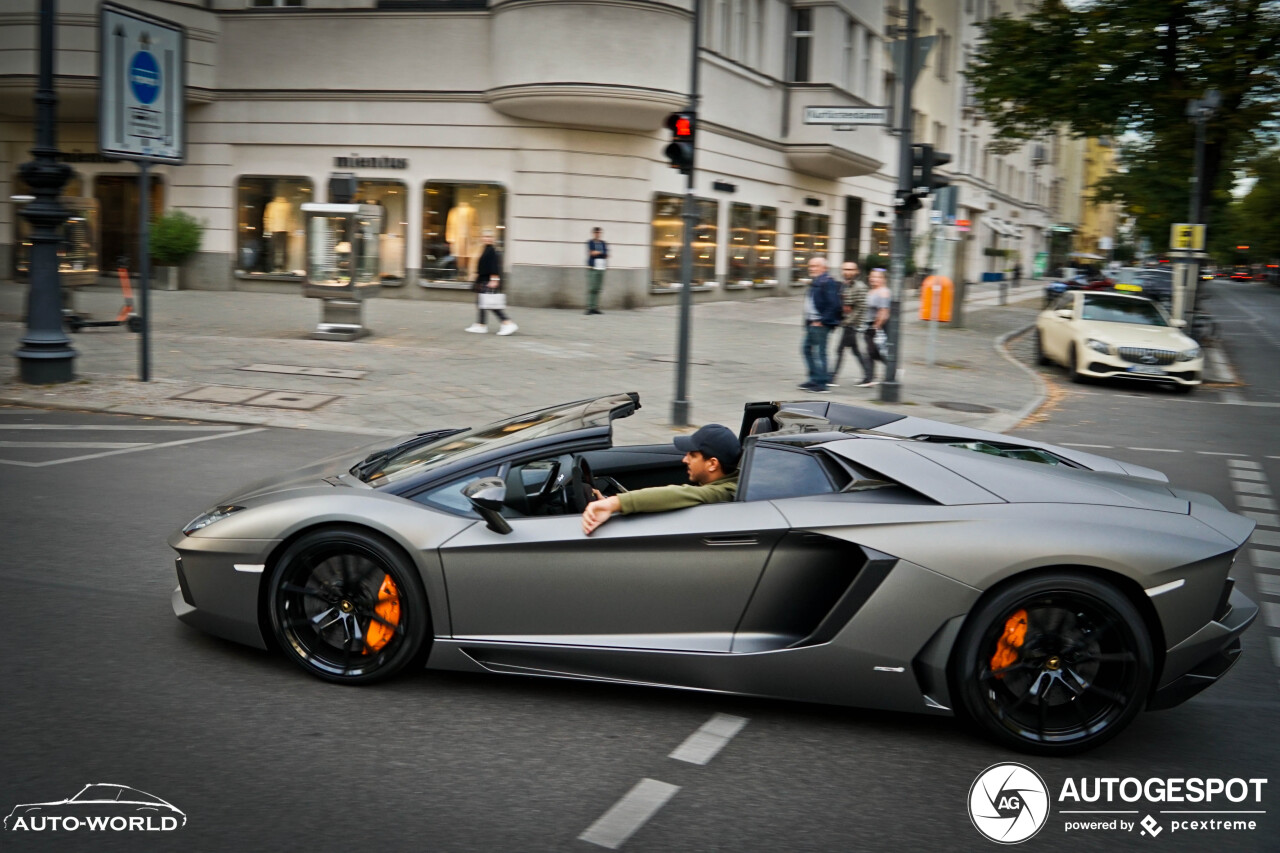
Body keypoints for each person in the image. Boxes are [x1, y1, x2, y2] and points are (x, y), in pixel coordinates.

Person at [581, 424, 740, 535]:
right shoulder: (723, 481)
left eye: (692, 455)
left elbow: (678, 494)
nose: (684, 460)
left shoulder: (724, 492)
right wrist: (609, 502)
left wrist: (614, 503)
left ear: (712, 464)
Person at [800, 256, 843, 393]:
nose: (812, 269)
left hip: (820, 325)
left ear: (824, 268)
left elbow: (834, 305)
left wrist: (822, 321)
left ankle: (822, 383)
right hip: (812, 323)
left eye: (815, 266)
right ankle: (814, 379)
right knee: (807, 350)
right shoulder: (817, 281)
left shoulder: (827, 282)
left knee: (819, 352)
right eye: (810, 266)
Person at [464, 230, 518, 336]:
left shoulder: (492, 250)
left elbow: (494, 266)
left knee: (491, 304)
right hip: (483, 279)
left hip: (488, 280)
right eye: (485, 236)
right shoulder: (486, 249)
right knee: (481, 303)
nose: (487, 238)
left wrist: (494, 280)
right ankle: (481, 325)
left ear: (493, 239)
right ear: (482, 238)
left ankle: (508, 323)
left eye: (490, 237)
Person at [830, 260, 868, 387]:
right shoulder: (843, 286)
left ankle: (831, 377)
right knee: (856, 351)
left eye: (851, 270)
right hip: (846, 324)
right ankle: (869, 375)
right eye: (845, 269)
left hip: (852, 325)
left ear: (856, 272)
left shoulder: (860, 287)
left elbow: (861, 308)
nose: (847, 272)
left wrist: (847, 322)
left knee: (839, 350)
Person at [860, 268, 891, 387]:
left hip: (877, 326)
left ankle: (891, 369)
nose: (873, 279)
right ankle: (870, 377)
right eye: (872, 276)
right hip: (869, 325)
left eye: (877, 277)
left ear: (883, 279)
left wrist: (876, 327)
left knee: (875, 352)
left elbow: (884, 312)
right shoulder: (872, 291)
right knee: (870, 352)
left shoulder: (883, 292)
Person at [585, 227, 608, 315]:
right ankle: (590, 307)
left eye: (599, 232)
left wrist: (597, 252)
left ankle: (595, 307)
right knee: (592, 288)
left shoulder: (603, 243)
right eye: (596, 232)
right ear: (593, 233)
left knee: (598, 288)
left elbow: (606, 254)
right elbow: (591, 253)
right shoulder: (590, 242)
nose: (597, 234)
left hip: (601, 267)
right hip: (593, 267)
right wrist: (600, 252)